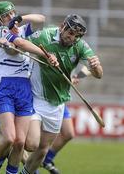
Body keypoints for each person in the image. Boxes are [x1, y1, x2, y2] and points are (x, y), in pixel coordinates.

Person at [18, 14, 103, 174]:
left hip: (57, 104)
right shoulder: (46, 35)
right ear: (62, 26)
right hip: (35, 98)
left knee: (43, 150)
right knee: (31, 144)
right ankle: (12, 149)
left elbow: (98, 74)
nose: (72, 38)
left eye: (76, 36)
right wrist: (44, 54)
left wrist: (96, 66)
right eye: (70, 33)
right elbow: (20, 43)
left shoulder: (80, 46)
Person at [0, 0, 58, 174]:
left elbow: (40, 19)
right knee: (10, 138)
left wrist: (20, 18)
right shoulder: (1, 31)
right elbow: (17, 46)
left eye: (12, 13)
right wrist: (46, 55)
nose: (10, 17)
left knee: (20, 142)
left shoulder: (20, 29)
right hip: (5, 86)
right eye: (6, 16)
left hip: (24, 87)